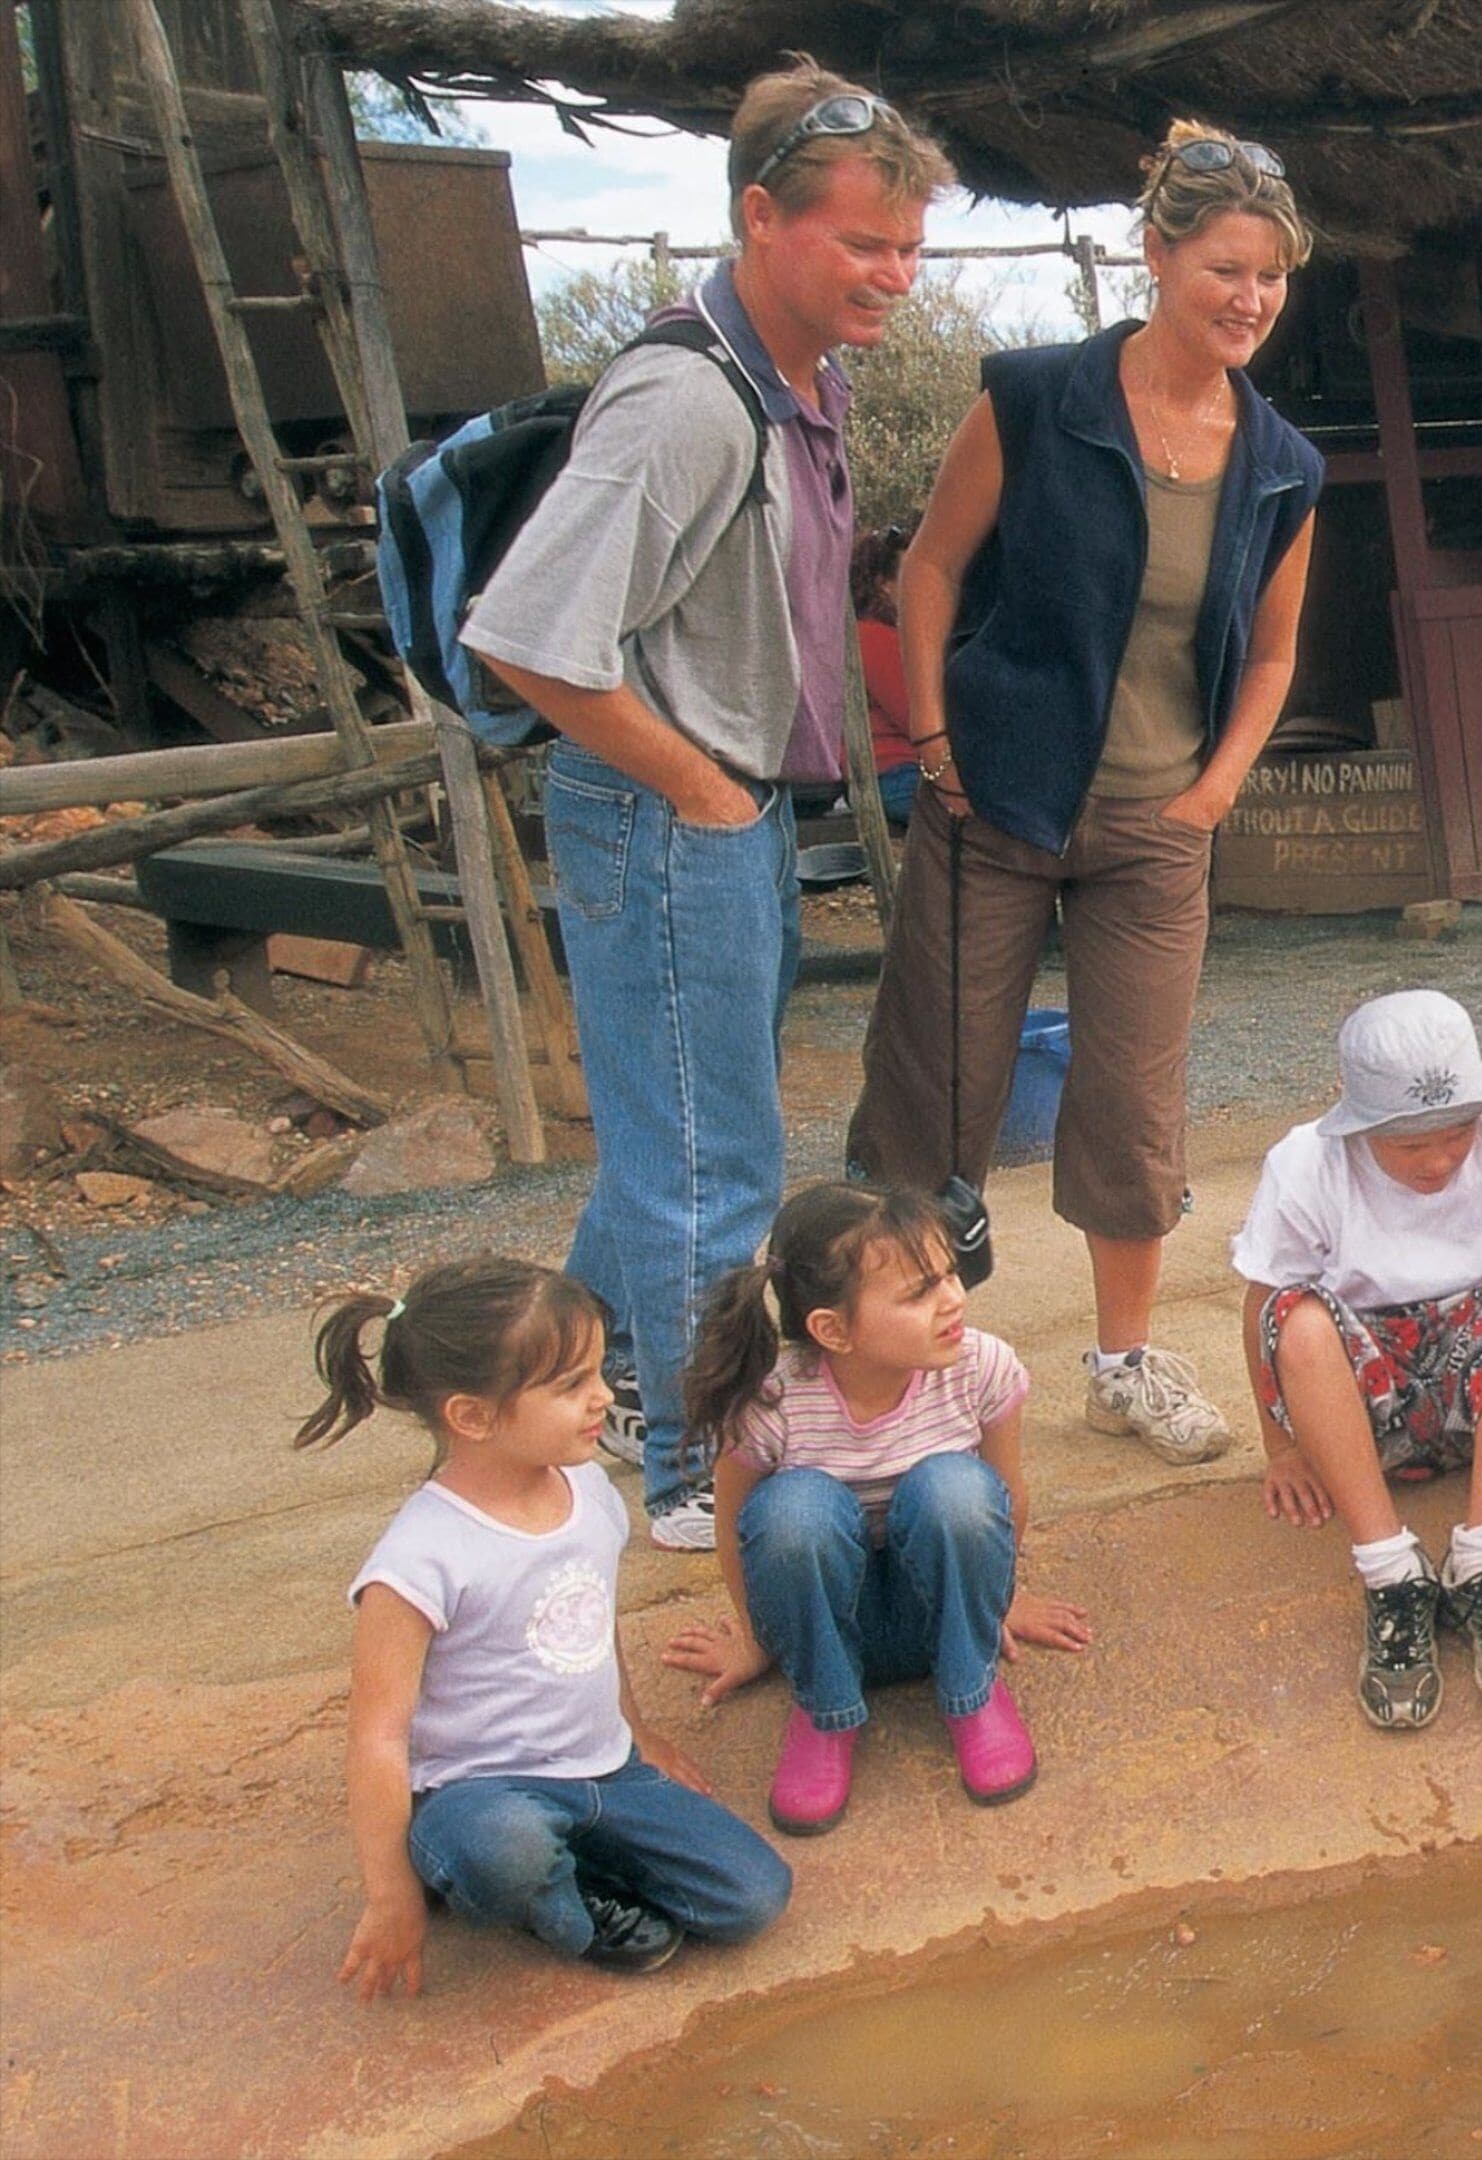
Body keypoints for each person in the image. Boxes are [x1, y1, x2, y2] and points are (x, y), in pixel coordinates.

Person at [466, 65, 952, 1551]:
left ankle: (583, 1379)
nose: (892, 274)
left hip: (726, 804)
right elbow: (527, 636)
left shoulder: (804, 379)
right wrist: (698, 788)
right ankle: (691, 1469)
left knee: (672, 1137)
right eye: (860, 242)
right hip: (672, 806)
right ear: (759, 216)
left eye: (908, 248)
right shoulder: (687, 399)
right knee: (711, 1164)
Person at [845, 122, 1328, 1468]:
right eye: (1225, 269)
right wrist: (935, 738)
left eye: (1272, 277)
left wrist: (1212, 794)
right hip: (994, 801)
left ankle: (1122, 1364)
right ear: (1157, 255)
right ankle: (903, 1371)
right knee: (936, 1090)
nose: (1249, 299)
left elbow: (1274, 651)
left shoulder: (1282, 464)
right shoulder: (1036, 398)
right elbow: (930, 567)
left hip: (1154, 829)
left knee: (1131, 1109)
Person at [299, 1258, 792, 1996]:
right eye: (571, 1386)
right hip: (478, 1790)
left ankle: (554, 1864)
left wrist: (637, 1734)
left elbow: (588, 1627)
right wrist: (391, 1896)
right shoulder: (417, 1560)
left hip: (603, 1771)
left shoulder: (588, 1490)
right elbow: (377, 1737)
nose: (604, 1398)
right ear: (472, 1416)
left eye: (598, 1373)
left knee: (753, 1897)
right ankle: (554, 1907)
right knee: (500, 1845)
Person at [660, 1183, 1093, 1833]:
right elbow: (737, 1529)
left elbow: (1007, 1495)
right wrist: (756, 1639)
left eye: (948, 1274)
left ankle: (971, 1694)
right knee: (793, 1512)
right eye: (919, 1293)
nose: (953, 1299)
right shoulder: (773, 1402)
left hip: (936, 1621)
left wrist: (999, 1600)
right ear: (832, 1330)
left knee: (958, 1489)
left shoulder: (980, 1367)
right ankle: (826, 1714)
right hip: (828, 1630)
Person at [1236, 992, 1482, 1729]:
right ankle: (1391, 1572)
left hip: (1480, 1405)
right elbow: (1263, 1305)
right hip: (1364, 1420)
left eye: (1458, 1133)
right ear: (1361, 1126)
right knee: (1297, 1318)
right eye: (1408, 1147)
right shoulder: (1305, 1163)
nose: (1438, 1160)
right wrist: (1281, 1447)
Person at [853, 523, 919, 830]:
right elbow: (914, 716)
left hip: (902, 771)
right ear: (883, 585)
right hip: (895, 774)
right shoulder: (875, 637)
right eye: (912, 574)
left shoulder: (890, 634)